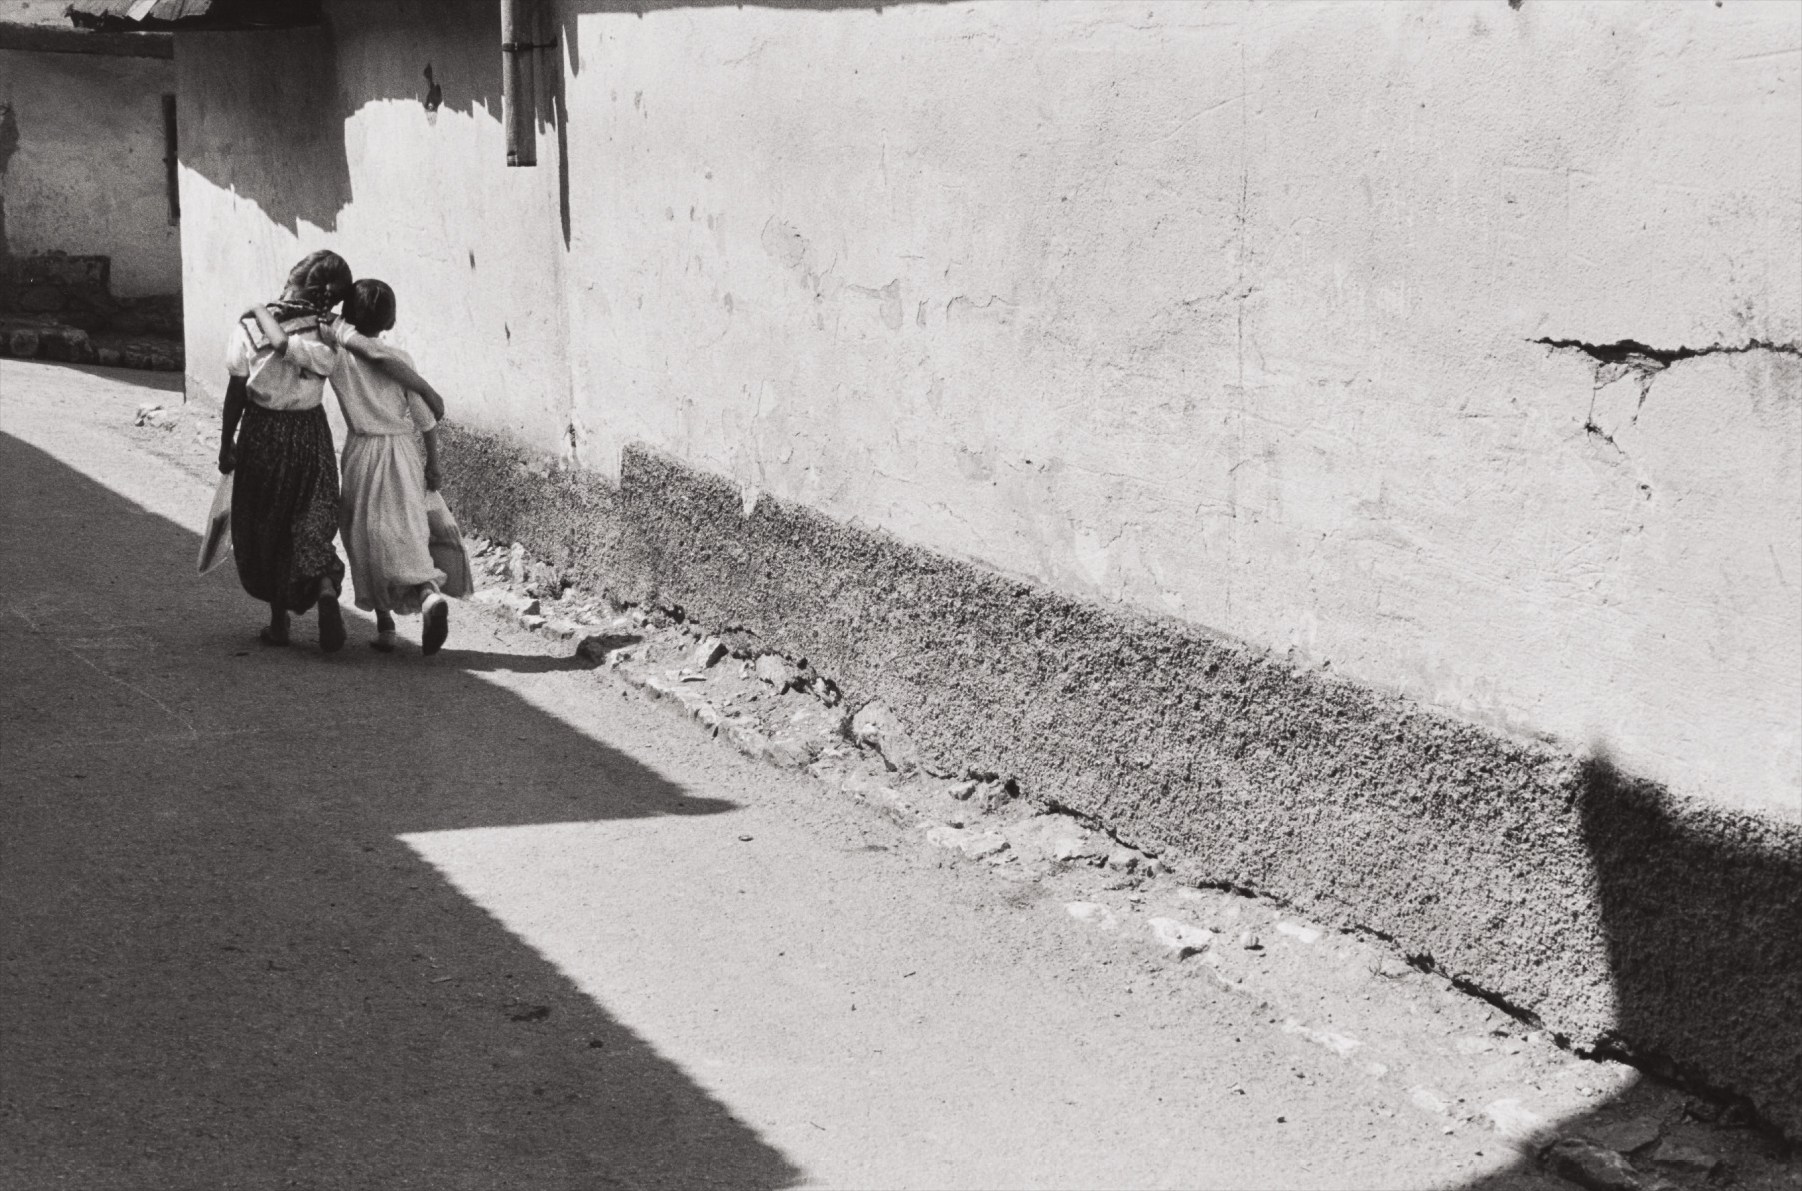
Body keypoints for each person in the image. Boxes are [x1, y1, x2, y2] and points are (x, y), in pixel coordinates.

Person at [217, 251, 353, 650]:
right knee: (311, 516)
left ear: (293, 277)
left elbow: (236, 390)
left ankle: (279, 623)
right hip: (311, 431)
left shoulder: (251, 324)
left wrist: (227, 442)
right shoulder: (327, 331)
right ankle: (325, 586)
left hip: (264, 435)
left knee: (267, 524)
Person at [323, 279, 455, 655]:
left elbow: (327, 328)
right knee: (407, 530)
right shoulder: (402, 362)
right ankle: (429, 596)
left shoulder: (339, 357)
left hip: (362, 451)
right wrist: (434, 463)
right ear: (390, 321)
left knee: (363, 534)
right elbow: (425, 419)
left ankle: (385, 626)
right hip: (402, 452)